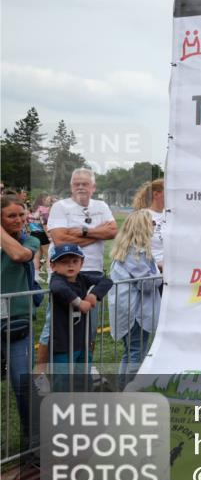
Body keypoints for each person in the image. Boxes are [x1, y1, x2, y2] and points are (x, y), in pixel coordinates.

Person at [39, 168, 118, 369]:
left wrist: (83, 231)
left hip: (93, 272)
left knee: (89, 327)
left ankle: (85, 366)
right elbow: (59, 239)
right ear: (71, 187)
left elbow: (113, 231)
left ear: (93, 187)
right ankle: (41, 371)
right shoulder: (60, 206)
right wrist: (96, 235)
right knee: (53, 326)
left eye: (85, 183)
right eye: (76, 184)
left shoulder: (101, 205)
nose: (81, 187)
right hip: (63, 275)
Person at [45, 244, 112, 391]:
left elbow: (106, 280)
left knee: (83, 381)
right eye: (64, 262)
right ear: (53, 265)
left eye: (75, 261)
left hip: (82, 343)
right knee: (62, 384)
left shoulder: (82, 278)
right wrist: (79, 302)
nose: (70, 265)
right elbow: (58, 289)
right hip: (62, 345)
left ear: (82, 263)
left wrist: (94, 294)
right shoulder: (57, 279)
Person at [1, 195, 40, 443]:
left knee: (23, 383)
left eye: (21, 214)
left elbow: (18, 256)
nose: (18, 220)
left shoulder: (31, 239)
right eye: (11, 215)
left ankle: (32, 442)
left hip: (17, 321)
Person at [108, 210, 161, 383]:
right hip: (135, 312)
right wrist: (162, 275)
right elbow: (146, 284)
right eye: (151, 223)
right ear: (142, 227)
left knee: (132, 351)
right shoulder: (136, 253)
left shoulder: (130, 250)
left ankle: (123, 389)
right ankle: (129, 390)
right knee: (137, 353)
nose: (155, 226)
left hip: (129, 309)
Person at [132, 179, 166, 272]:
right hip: (153, 273)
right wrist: (156, 266)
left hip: (172, 271)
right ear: (156, 194)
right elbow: (136, 250)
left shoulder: (170, 214)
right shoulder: (142, 216)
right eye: (168, 191)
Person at [28, 194, 52, 280]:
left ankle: (36, 276)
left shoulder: (32, 209)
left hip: (33, 233)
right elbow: (44, 223)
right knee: (48, 255)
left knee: (36, 256)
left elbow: (28, 223)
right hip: (43, 234)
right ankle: (49, 276)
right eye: (47, 199)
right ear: (43, 200)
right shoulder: (44, 210)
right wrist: (49, 236)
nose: (49, 201)